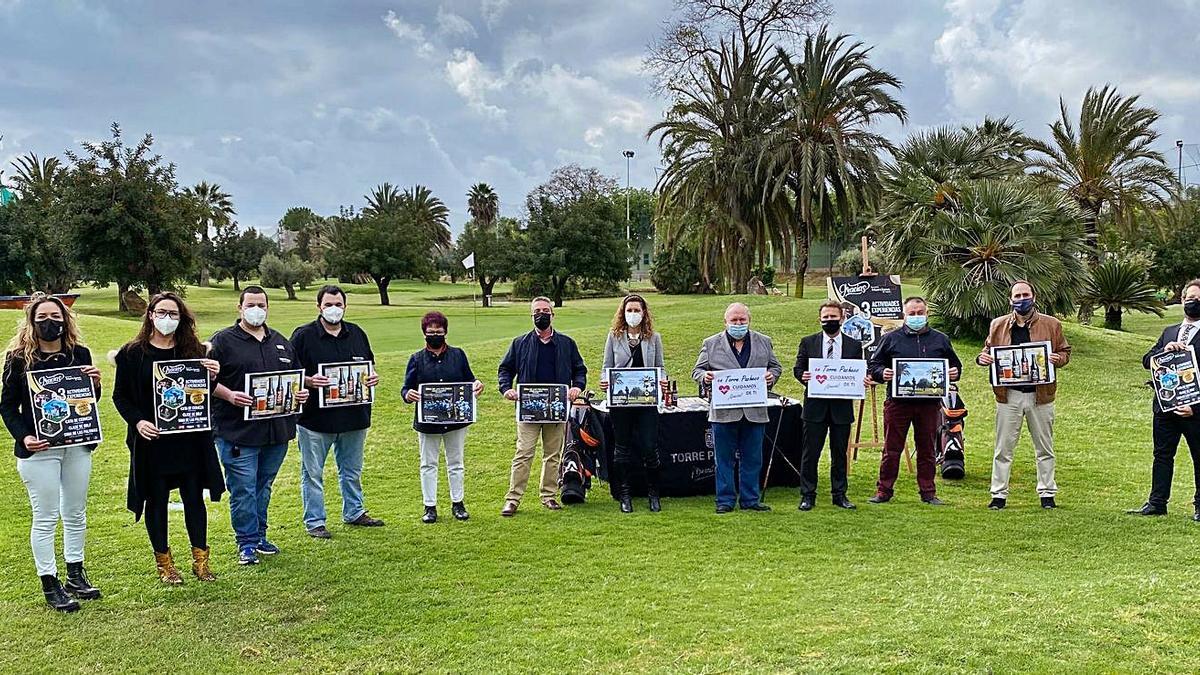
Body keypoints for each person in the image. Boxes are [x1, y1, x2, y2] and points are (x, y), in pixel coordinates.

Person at [113, 292, 226, 584]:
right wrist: (138, 421)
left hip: (189, 440)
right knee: (157, 500)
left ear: (182, 318)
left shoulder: (194, 350)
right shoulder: (132, 353)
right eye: (161, 312)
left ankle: (201, 561)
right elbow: (120, 396)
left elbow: (202, 395)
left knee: (193, 499)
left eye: (173, 314)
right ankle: (165, 564)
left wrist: (212, 375)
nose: (167, 319)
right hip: (153, 442)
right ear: (150, 314)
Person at [0, 293, 102, 612]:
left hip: (75, 445)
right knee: (45, 516)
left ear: (65, 320)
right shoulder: (19, 359)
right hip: (40, 450)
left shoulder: (79, 353)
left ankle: (75, 572)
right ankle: (50, 581)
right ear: (31, 322)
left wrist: (95, 386)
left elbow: (85, 404)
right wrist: (25, 436)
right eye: (42, 318)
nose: (50, 323)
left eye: (55, 317)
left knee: (75, 511)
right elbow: (6, 406)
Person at [208, 286, 309, 565]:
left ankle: (260, 536)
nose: (256, 309)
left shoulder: (279, 341)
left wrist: (301, 393)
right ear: (239, 308)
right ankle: (247, 542)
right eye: (250, 304)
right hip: (237, 431)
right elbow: (204, 381)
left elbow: (295, 378)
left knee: (263, 485)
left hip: (276, 430)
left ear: (267, 308)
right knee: (243, 488)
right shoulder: (222, 341)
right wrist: (229, 395)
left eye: (261, 304)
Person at [291, 285, 383, 539]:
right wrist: (309, 381)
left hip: (354, 416)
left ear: (345, 306)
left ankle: (354, 511)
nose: (334, 309)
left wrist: (372, 378)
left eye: (338, 304)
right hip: (315, 420)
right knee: (312, 473)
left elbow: (369, 366)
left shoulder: (357, 333)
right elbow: (290, 375)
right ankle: (315, 521)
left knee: (352, 470)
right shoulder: (303, 336)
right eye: (329, 304)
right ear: (319, 306)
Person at [976, 281, 1071, 510]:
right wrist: (983, 359)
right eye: (1017, 295)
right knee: (1003, 448)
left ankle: (1047, 494)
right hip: (1009, 396)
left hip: (1041, 396)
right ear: (1010, 299)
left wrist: (1058, 359)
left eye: (1025, 294)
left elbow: (1064, 352)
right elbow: (987, 351)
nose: (1021, 299)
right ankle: (998, 495)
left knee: (1044, 448)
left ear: (1034, 296)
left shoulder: (1051, 324)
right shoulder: (998, 325)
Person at [867, 296, 962, 505]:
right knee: (892, 449)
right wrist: (884, 373)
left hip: (929, 404)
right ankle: (884, 491)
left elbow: (956, 367)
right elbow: (873, 365)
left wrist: (954, 373)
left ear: (927, 314)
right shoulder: (891, 338)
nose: (916, 317)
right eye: (912, 314)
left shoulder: (940, 339)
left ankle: (928, 492)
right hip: (897, 404)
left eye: (920, 313)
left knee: (927, 448)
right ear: (904, 315)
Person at [498, 296, 587, 516]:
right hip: (528, 409)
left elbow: (580, 370)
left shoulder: (567, 344)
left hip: (556, 409)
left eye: (545, 310)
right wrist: (506, 388)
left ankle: (548, 496)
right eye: (537, 311)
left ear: (552, 314)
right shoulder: (520, 343)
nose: (541, 314)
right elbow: (505, 369)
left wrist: (577, 387)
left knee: (552, 454)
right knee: (524, 452)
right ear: (531, 315)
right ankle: (513, 499)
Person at [691, 302, 783, 513]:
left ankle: (750, 500)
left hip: (754, 411)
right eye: (734, 320)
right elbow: (697, 370)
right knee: (724, 460)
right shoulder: (711, 343)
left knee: (752, 459)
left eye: (742, 320)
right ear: (726, 322)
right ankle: (725, 501)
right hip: (724, 412)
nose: (738, 323)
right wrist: (705, 377)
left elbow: (775, 367)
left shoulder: (764, 342)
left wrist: (772, 376)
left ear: (749, 320)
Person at [402, 311, 484, 523]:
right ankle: (430, 506)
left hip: (456, 420)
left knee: (455, 462)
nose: (435, 335)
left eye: (439, 331)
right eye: (431, 332)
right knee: (428, 463)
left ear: (446, 332)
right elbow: (406, 388)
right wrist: (408, 395)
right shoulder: (416, 359)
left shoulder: (458, 355)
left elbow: (470, 380)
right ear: (424, 334)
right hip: (428, 422)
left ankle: (458, 503)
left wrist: (477, 386)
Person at [1128, 278, 1200, 519]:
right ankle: (1157, 502)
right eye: (1190, 298)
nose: (1193, 303)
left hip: (1194, 411)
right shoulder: (1169, 332)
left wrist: (1196, 408)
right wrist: (1163, 351)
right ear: (1182, 301)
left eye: (1198, 300)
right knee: (1162, 455)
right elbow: (1147, 360)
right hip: (1165, 407)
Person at [793, 301, 868, 511]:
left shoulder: (854, 345)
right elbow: (798, 368)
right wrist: (803, 376)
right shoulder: (808, 342)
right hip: (814, 408)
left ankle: (840, 495)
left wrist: (862, 380)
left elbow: (857, 372)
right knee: (810, 454)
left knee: (839, 454)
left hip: (841, 409)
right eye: (825, 317)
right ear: (820, 319)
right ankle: (807, 495)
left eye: (833, 317)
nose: (829, 321)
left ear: (842, 318)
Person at [599, 294, 668, 513]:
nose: (633, 314)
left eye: (637, 310)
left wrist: (662, 380)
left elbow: (660, 366)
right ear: (623, 312)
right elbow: (606, 366)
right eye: (629, 310)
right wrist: (604, 381)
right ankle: (624, 495)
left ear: (644, 313)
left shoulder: (653, 338)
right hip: (621, 402)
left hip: (646, 401)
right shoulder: (614, 336)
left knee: (649, 448)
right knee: (622, 449)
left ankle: (654, 494)